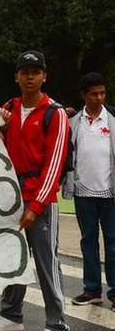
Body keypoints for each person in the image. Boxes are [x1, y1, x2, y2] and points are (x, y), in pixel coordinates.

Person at [0, 50, 71, 331]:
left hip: (40, 195)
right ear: (17, 77)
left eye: (36, 71)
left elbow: (55, 163)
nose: (30, 76)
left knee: (47, 260)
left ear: (44, 76)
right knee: (14, 255)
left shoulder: (54, 113)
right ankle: (11, 313)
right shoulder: (10, 107)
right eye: (25, 71)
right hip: (12, 191)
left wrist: (36, 205)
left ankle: (57, 325)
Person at [62, 72, 115, 311]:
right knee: (88, 242)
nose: (99, 97)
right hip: (83, 192)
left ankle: (114, 292)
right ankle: (92, 290)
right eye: (94, 93)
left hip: (110, 193)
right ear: (84, 95)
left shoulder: (113, 117)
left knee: (113, 243)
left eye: (102, 92)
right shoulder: (73, 121)